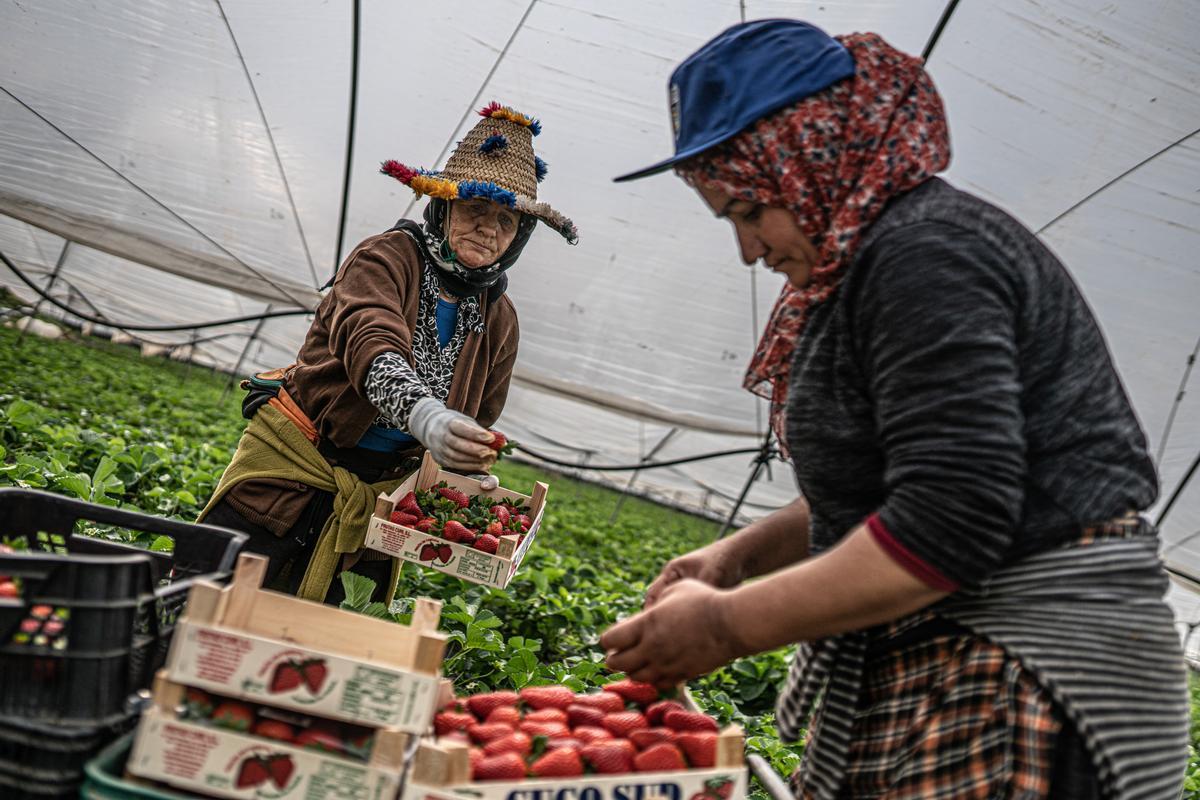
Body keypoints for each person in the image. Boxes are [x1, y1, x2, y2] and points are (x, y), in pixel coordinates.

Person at [602, 20, 1186, 799]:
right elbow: (901, 480)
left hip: (1025, 676)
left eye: (750, 210)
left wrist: (726, 626)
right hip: (959, 660)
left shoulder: (926, 257)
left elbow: (951, 517)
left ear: (811, 155)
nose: (748, 251)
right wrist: (736, 559)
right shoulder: (868, 265)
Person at [199, 102, 577, 605]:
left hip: (384, 497)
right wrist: (426, 417)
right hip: (296, 469)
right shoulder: (387, 257)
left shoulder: (500, 318)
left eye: (506, 221)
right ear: (443, 208)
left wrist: (467, 468)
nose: (489, 229)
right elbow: (369, 341)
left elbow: (481, 414)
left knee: (327, 645)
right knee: (212, 609)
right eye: (475, 210)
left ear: (519, 238)